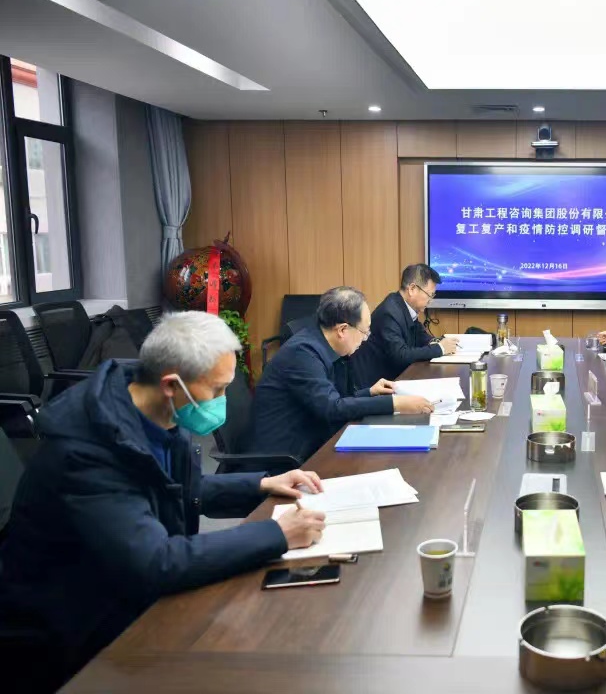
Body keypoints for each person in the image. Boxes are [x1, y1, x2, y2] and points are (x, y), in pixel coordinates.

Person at [0, 312, 328, 693]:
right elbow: (155, 562)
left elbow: (177, 487)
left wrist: (261, 484)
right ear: (172, 384)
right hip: (69, 637)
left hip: (123, 595)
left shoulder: (151, 407)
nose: (223, 402)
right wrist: (277, 534)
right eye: (217, 390)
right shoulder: (87, 454)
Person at [253, 286, 433, 463]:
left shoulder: (324, 345)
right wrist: (395, 403)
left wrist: (369, 392)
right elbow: (333, 408)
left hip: (313, 442)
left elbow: (335, 399)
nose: (366, 338)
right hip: (285, 460)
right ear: (342, 330)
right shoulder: (303, 354)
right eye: (365, 332)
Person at [353, 263, 458, 388]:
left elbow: (420, 335)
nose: (431, 300)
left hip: (395, 377)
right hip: (375, 385)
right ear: (412, 289)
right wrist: (440, 349)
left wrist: (437, 342)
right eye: (430, 295)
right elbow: (401, 355)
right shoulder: (390, 313)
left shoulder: (404, 306)